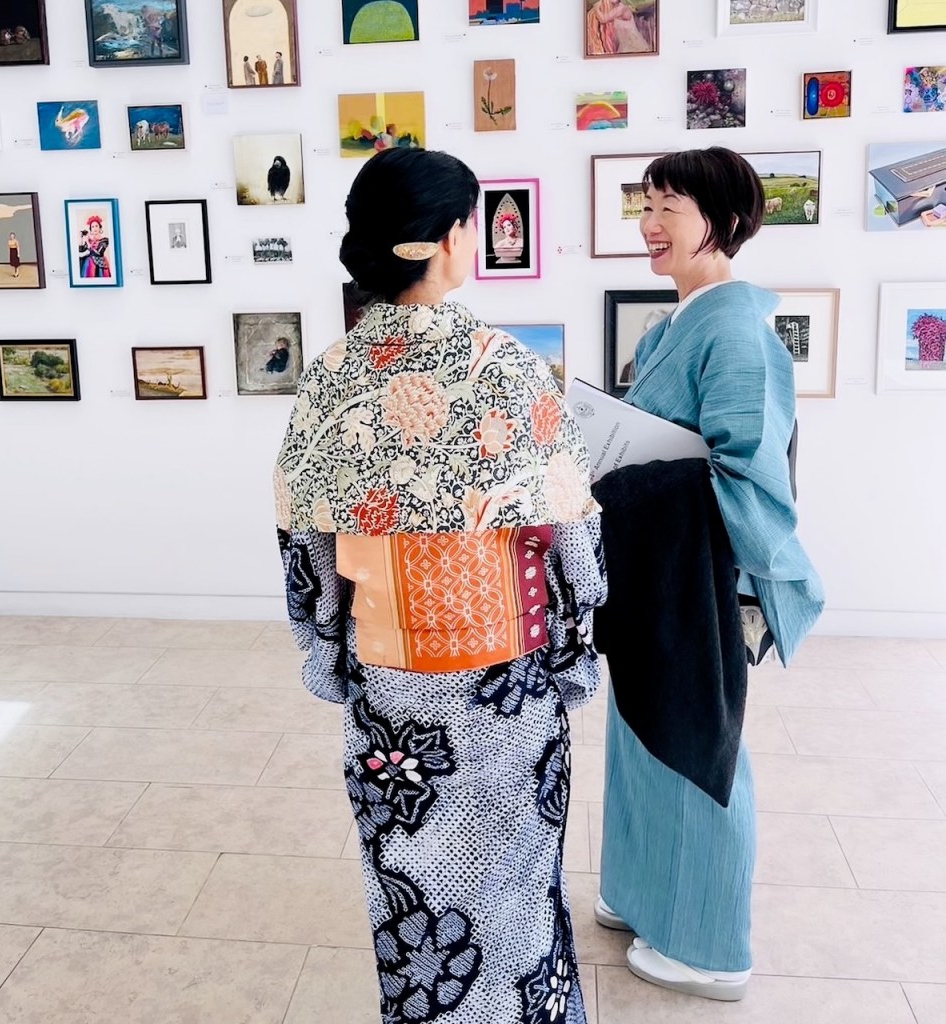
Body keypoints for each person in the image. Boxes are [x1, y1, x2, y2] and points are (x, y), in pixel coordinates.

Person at [274, 147, 608, 1024]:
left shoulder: (330, 377)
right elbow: (570, 534)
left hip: (391, 690)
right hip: (505, 685)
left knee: (411, 884)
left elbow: (304, 538)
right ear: (453, 237)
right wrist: (574, 651)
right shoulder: (506, 367)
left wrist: (329, 648)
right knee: (517, 878)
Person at [593, 147, 824, 1001]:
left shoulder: (736, 333)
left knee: (696, 748)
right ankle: (643, 893)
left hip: (696, 573)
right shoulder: (672, 327)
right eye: (646, 204)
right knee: (639, 737)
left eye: (670, 207)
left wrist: (626, 478)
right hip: (653, 566)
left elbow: (748, 477)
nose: (650, 224)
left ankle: (710, 946)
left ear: (722, 220)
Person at [586, 0, 651, 55]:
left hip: (633, 46)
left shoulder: (621, 9)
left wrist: (596, 7)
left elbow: (603, 19)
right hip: (625, 46)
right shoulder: (614, 8)